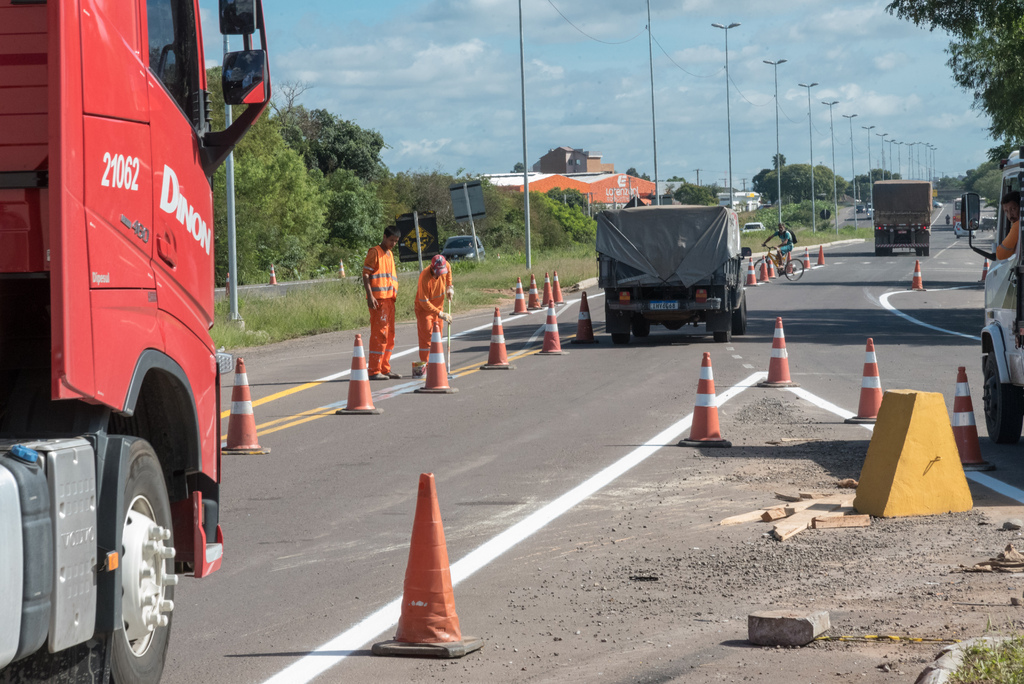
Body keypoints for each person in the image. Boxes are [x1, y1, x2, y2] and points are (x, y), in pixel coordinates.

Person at [363, 226, 402, 379]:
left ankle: (385, 368)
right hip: (378, 300)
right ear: (384, 237)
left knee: (390, 335)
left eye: (396, 241)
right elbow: (366, 275)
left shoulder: (390, 254)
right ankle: (374, 370)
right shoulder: (375, 252)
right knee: (380, 335)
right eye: (391, 240)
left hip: (389, 300)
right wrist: (370, 296)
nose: (393, 243)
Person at [414, 255, 455, 363]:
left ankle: (437, 363)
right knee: (427, 339)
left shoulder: (445, 265)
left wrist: (449, 286)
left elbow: (449, 270)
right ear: (432, 268)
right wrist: (440, 313)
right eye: (438, 272)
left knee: (437, 336)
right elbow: (424, 302)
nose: (440, 274)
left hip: (438, 307)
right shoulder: (425, 278)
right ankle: (427, 364)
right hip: (425, 311)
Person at [995, 190, 1022, 260]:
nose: (1010, 215)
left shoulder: (1019, 225)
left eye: (1013, 209)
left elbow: (1001, 255)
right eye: (1006, 211)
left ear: (1021, 208)